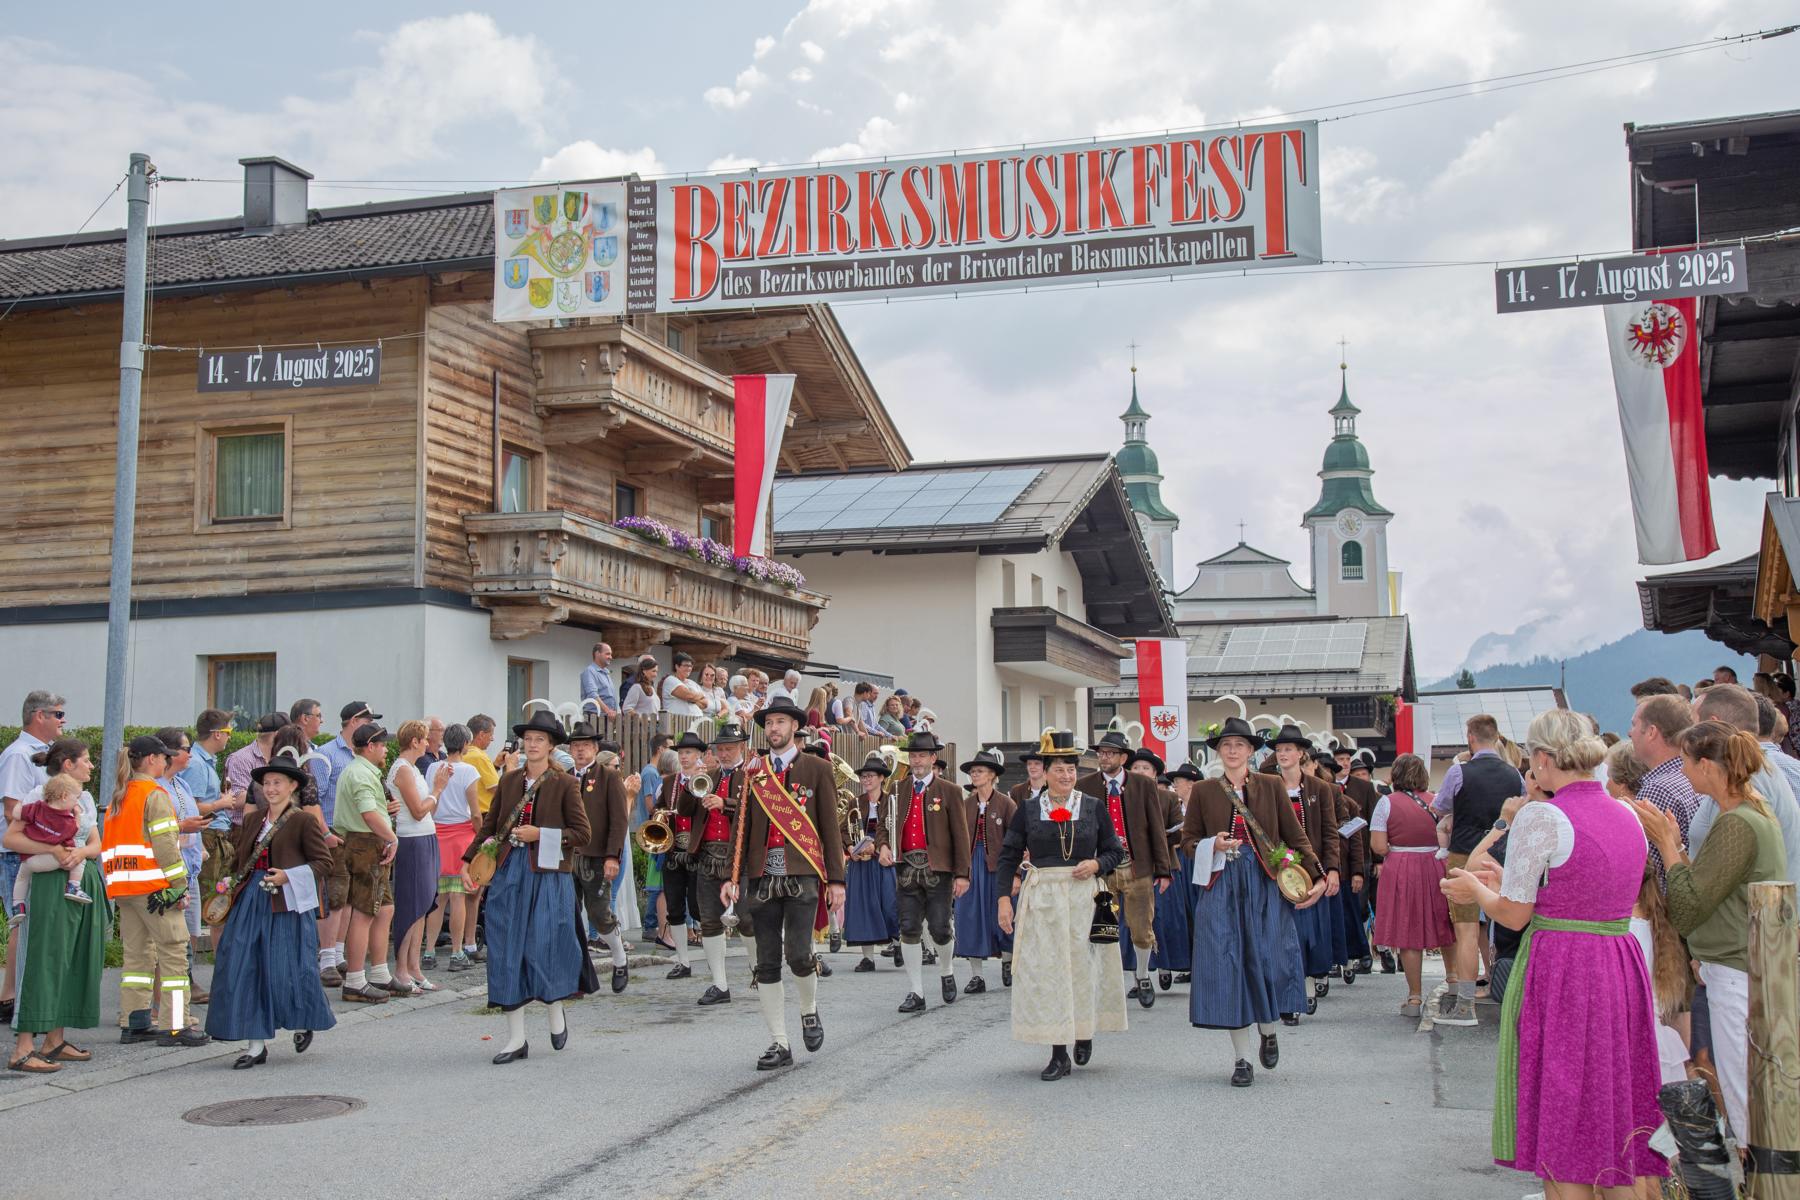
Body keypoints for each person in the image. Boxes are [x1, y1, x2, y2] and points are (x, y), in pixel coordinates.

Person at [1441, 709, 1666, 1194]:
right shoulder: (1626, 811)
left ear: (1543, 759)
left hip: (1565, 966)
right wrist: (1509, 885)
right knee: (1612, 1099)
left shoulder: (1544, 816)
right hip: (1618, 959)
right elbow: (1592, 889)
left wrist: (1475, 892)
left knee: (1564, 1104)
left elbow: (1515, 916)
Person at [1636, 719, 1789, 1146]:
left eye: (1686, 762)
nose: (1682, 772)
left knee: (1740, 1087)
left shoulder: (1737, 823)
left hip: (1735, 968)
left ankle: (1753, 1169)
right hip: (1738, 961)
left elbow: (1688, 906)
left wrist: (1669, 846)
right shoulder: (1748, 813)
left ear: (1707, 765)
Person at [1180, 717, 1320, 1088]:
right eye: (1226, 745)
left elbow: (1295, 836)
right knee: (1228, 967)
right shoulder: (1205, 791)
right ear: (1218, 751)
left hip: (1263, 883)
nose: (1231, 750)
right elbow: (1188, 842)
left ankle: (1269, 1028)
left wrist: (1318, 875)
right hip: (1221, 884)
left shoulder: (1271, 786)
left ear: (1251, 751)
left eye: (1239, 745)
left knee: (1268, 959)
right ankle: (1241, 1058)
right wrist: (1214, 845)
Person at [460, 711, 594, 1064]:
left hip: (548, 873)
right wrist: (467, 861)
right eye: (528, 739)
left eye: (540, 740)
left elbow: (582, 834)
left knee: (544, 945)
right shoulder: (509, 780)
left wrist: (541, 834)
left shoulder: (565, 783)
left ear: (550, 746)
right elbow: (490, 824)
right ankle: (516, 1039)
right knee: (505, 947)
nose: (532, 745)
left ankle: (554, 1008)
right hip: (508, 871)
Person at [721, 695, 845, 1070]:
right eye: (769, 723)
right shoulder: (753, 772)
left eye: (780, 722)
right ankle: (779, 1041)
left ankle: (808, 1010)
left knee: (798, 954)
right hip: (761, 876)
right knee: (767, 963)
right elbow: (740, 829)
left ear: (794, 727)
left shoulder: (818, 769)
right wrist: (732, 876)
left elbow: (830, 829)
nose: (773, 728)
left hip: (803, 874)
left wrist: (836, 880)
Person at [996, 730, 1127, 1081]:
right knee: (1050, 972)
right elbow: (1008, 856)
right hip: (1044, 899)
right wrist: (1003, 901)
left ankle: (1083, 1031)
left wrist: (1098, 864)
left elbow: (1116, 850)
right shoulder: (1028, 810)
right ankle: (1058, 1053)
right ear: (1044, 772)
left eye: (1070, 769)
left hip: (1084, 898)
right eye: (1059, 770)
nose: (1066, 776)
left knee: (1083, 968)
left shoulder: (1092, 807)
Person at [203, 747, 337, 1069]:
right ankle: (255, 1044)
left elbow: (324, 862)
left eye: (278, 782)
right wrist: (228, 882)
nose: (271, 788)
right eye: (267, 783)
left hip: (286, 905)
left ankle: (303, 1020)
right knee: (244, 965)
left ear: (292, 786)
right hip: (251, 900)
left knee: (288, 968)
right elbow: (239, 861)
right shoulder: (251, 821)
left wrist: (288, 876)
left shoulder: (303, 821)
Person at [4, 737, 104, 1074]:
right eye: (86, 760)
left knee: (71, 959)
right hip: (47, 883)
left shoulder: (84, 798)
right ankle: (23, 1048)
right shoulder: (40, 796)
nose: (91, 765)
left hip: (79, 878)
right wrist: (56, 852)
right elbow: (11, 838)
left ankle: (54, 1040)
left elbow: (95, 842)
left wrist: (80, 853)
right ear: (67, 764)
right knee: (42, 959)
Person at [103, 735, 208, 1047]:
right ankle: (176, 1025)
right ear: (150, 759)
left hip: (125, 888)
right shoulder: (154, 794)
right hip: (155, 889)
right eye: (164, 757)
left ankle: (133, 1022)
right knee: (174, 955)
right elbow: (165, 846)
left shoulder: (120, 795)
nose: (167, 762)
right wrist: (178, 887)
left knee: (138, 957)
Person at [1430, 714, 1524, 1026]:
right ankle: (1508, 990)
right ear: (1496, 738)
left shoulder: (1459, 772)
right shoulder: (1514, 774)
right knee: (1508, 924)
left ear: (1471, 737)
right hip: (1502, 854)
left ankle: (1465, 1005)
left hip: (1465, 853)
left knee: (1467, 931)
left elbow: (1440, 806)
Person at [877, 729, 970, 1012]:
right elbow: (883, 826)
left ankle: (946, 970)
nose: (916, 761)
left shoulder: (950, 791)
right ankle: (916, 991)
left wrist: (963, 874)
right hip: (905, 867)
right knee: (909, 928)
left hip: (938, 869)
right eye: (913, 755)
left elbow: (961, 835)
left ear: (933, 758)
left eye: (922, 755)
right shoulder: (896, 789)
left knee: (941, 928)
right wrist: (882, 846)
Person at [1079, 729, 1173, 1008]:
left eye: (1110, 753)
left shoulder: (1143, 785)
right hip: (1103, 870)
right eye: (1101, 753)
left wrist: (1163, 869)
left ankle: (1142, 975)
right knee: (1104, 927)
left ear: (1123, 757)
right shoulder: (1085, 786)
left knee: (1141, 927)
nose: (1104, 758)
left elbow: (1156, 827)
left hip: (1137, 867)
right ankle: (1106, 981)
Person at [1689, 684, 1800, 890]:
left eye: (1693, 723)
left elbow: (1717, 877)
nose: (1687, 733)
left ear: (1713, 725)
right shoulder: (1759, 767)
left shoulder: (1743, 777)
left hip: (1750, 917)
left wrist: (1670, 845)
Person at [1369, 753, 1453, 1020]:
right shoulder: (1437, 801)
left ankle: (1414, 996)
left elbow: (1379, 846)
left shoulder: (1386, 803)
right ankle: (1453, 984)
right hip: (1434, 864)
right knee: (1445, 925)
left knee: (1408, 930)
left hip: (1402, 866)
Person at [674, 722, 751, 1005]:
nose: (724, 754)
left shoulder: (751, 775)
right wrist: (689, 783)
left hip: (738, 857)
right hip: (707, 854)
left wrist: (725, 803)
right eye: (720, 749)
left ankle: (759, 971)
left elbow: (752, 809)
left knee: (746, 918)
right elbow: (684, 811)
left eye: (729, 748)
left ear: (741, 747)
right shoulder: (709, 774)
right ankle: (720, 984)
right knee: (708, 920)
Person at [1267, 726, 1340, 1017]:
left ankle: (1309, 983)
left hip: (1311, 870)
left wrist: (1331, 870)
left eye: (1289, 749)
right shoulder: (1267, 785)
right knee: (1282, 934)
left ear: (1301, 754)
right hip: (1277, 869)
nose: (1283, 754)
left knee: (1309, 935)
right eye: (1279, 749)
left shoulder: (1319, 789)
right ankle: (1289, 996)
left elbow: (1330, 833)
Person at [332, 724, 400, 1004]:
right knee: (363, 913)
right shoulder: (360, 773)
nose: (385, 749)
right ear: (370, 746)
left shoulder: (363, 770)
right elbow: (369, 814)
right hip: (364, 843)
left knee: (384, 909)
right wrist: (392, 837)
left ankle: (380, 973)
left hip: (369, 841)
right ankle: (356, 980)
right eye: (382, 744)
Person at [567, 722, 630, 994]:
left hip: (596, 857)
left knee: (599, 914)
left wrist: (612, 856)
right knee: (567, 915)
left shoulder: (608, 776)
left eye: (585, 746)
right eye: (576, 746)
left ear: (594, 748)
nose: (580, 750)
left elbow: (619, 820)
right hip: (567, 856)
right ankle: (576, 975)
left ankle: (619, 959)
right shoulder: (563, 776)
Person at [386, 720, 443, 995]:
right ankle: (401, 968)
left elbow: (429, 808)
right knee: (411, 904)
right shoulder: (403, 770)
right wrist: (438, 789)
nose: (428, 743)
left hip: (426, 837)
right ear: (414, 741)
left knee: (423, 904)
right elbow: (419, 810)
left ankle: (414, 966)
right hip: (412, 839)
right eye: (424, 739)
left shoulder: (414, 770)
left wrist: (436, 790)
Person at [955, 749, 1016, 994]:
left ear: (992, 775)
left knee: (1002, 915)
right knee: (969, 917)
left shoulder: (1006, 803)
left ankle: (1008, 961)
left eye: (979, 771)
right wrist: (958, 872)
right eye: (972, 771)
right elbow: (957, 840)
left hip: (998, 867)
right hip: (971, 866)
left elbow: (1016, 840)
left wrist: (1015, 874)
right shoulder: (965, 804)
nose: (975, 774)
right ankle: (977, 975)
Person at [183, 709, 241, 957]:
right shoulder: (196, 764)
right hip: (206, 837)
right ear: (217, 734)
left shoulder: (204, 760)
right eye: (229, 732)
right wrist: (222, 803)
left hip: (213, 836)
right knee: (211, 904)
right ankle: (199, 970)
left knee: (216, 902)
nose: (229, 737)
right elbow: (191, 806)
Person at [425, 724, 481, 973]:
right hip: (462, 835)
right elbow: (476, 812)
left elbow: (432, 800)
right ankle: (457, 951)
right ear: (466, 744)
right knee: (459, 896)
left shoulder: (432, 767)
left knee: (438, 897)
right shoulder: (469, 771)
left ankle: (429, 951)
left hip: (437, 833)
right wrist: (482, 837)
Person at [1627, 693, 1698, 884]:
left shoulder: (1658, 790)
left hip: (1670, 905)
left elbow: (1650, 872)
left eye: (1634, 724)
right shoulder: (1693, 776)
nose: (1629, 733)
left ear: (1651, 732)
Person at [6, 773, 93, 921]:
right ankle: (73, 886)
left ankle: (18, 906)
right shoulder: (66, 819)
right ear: (64, 796)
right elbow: (75, 830)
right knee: (79, 857)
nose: (76, 803)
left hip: (29, 860)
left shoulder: (36, 807)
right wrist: (77, 814)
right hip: (52, 860)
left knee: (21, 877)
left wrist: (20, 806)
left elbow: (16, 812)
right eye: (76, 799)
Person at [844, 753, 900, 974]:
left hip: (883, 861)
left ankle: (897, 944)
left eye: (870, 776)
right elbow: (843, 830)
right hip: (861, 863)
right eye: (863, 776)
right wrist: (850, 847)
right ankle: (868, 958)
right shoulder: (855, 802)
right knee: (862, 907)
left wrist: (876, 847)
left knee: (890, 903)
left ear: (881, 778)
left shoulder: (891, 801)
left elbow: (893, 828)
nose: (866, 780)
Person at [1149, 761, 1199, 992]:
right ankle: (1177, 963)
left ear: (1191, 784)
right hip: (1178, 858)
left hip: (1194, 860)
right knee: (1179, 911)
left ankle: (1194, 961)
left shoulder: (1199, 807)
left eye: (1179, 781)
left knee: (1194, 910)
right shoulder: (1176, 804)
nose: (1175, 785)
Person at [662, 652, 708, 719]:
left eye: (690, 666)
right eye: (686, 665)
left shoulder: (692, 683)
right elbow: (689, 696)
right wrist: (701, 695)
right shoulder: (670, 680)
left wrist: (693, 698)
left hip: (696, 722)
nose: (689, 668)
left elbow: (705, 704)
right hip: (677, 724)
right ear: (677, 666)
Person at [580, 643, 620, 718]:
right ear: (597, 654)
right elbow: (592, 695)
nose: (610, 657)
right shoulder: (590, 671)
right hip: (595, 716)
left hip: (607, 716)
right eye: (607, 654)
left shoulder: (606, 672)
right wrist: (608, 711)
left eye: (611, 654)